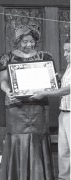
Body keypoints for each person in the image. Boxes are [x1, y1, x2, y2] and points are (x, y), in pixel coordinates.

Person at [0, 26, 55, 180]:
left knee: (38, 138)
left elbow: (50, 80)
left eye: (32, 41)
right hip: (16, 108)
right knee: (17, 140)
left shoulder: (45, 56)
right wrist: (8, 90)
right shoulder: (7, 58)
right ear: (17, 41)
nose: (29, 45)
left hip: (38, 107)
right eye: (25, 41)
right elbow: (3, 80)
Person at [31, 38, 70, 180]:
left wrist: (44, 93)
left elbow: (67, 90)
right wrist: (57, 78)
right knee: (63, 152)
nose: (65, 54)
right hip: (64, 113)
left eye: (68, 51)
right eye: (65, 50)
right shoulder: (68, 67)